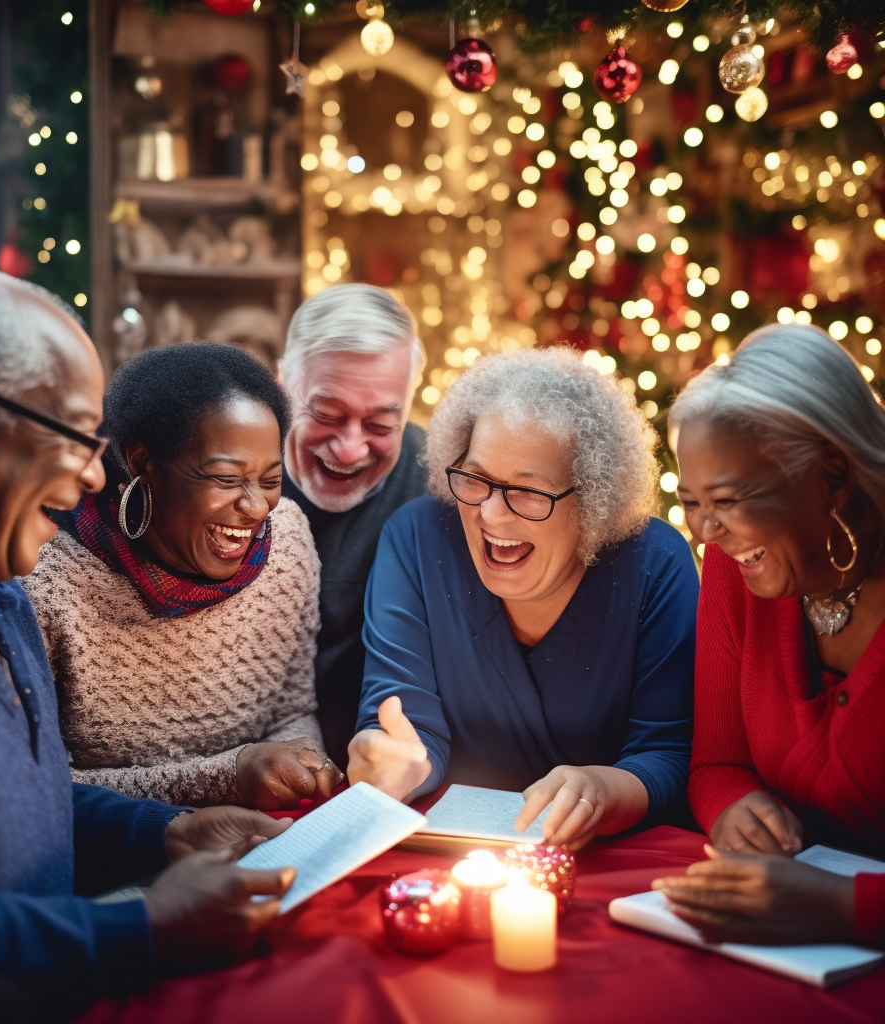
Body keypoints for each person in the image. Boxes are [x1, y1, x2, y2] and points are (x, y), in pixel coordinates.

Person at [0, 269, 295, 1018]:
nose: (96, 473)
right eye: (71, 435)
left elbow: (19, 806)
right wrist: (138, 929)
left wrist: (166, 835)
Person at [348, 347, 699, 849]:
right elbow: (403, 724)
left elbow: (667, 752)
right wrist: (393, 762)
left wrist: (601, 789)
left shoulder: (655, 564)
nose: (491, 515)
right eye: (476, 478)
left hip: (608, 863)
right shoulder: (418, 538)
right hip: (447, 854)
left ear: (595, 499)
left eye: (528, 492)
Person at [24, 342, 342, 810]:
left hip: (264, 843)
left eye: (271, 480)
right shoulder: (48, 578)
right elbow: (43, 785)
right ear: (142, 463)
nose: (256, 508)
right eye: (226, 479)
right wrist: (228, 778)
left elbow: (292, 711)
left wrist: (303, 766)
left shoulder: (288, 539)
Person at [653, 324, 885, 946]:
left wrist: (844, 907)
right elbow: (717, 763)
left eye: (726, 499)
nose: (705, 533)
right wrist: (734, 806)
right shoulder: (741, 568)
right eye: (692, 501)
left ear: (832, 477)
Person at [279, 284, 429, 768]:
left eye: (382, 425)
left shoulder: (439, 487)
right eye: (325, 414)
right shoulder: (223, 468)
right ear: (282, 385)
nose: (349, 449)